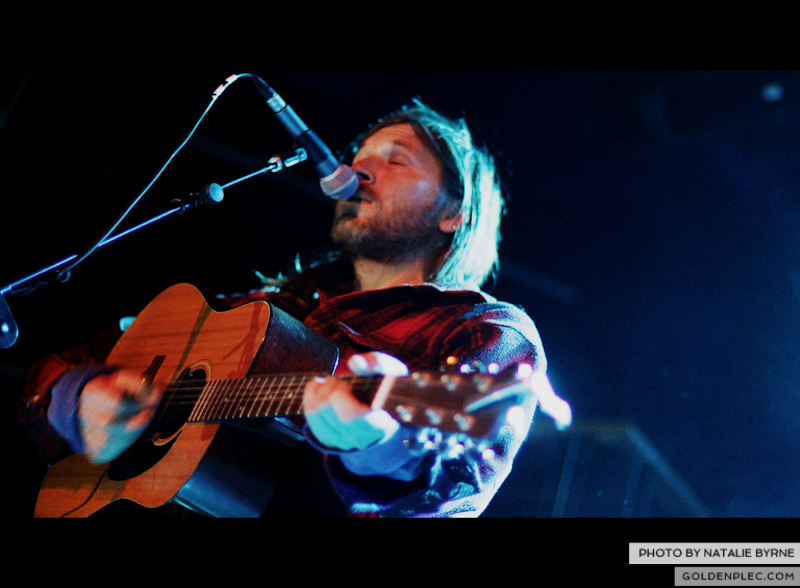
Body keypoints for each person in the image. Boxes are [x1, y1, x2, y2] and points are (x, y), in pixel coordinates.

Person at [17, 99, 571, 517]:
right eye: (358, 159)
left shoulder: (482, 328)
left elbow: (458, 488)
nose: (357, 172)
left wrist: (383, 446)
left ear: (453, 212)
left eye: (395, 161)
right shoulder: (267, 307)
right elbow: (62, 365)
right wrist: (76, 396)